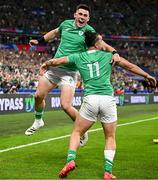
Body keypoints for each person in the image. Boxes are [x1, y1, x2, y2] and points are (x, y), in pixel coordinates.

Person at [39, 31, 156, 179]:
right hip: (107, 99)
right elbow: (130, 66)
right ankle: (107, 172)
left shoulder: (78, 57)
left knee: (76, 132)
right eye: (101, 40)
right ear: (95, 43)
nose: (103, 43)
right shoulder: (108, 56)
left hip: (91, 99)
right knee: (110, 137)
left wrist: (46, 64)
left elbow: (58, 61)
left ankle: (70, 160)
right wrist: (147, 76)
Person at [25, 4, 119, 146]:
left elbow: (103, 45)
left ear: (88, 19)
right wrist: (39, 41)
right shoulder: (65, 24)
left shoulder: (89, 31)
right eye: (80, 14)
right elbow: (55, 33)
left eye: (85, 15)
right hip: (55, 68)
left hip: (70, 72)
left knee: (65, 105)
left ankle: (82, 130)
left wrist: (114, 52)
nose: (82, 17)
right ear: (75, 14)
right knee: (38, 96)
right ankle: (38, 120)